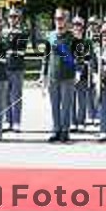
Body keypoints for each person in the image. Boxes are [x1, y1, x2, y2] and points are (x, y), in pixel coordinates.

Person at [41, 8, 77, 143]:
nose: (58, 21)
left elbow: (78, 57)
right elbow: (45, 57)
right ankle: (56, 129)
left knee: (66, 105)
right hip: (53, 75)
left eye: (61, 18)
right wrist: (43, 75)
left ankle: (65, 131)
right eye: (56, 18)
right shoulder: (50, 36)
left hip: (68, 76)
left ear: (66, 20)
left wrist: (78, 72)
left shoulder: (72, 37)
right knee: (54, 105)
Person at [3, 6, 28, 132]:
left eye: (15, 17)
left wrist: (10, 35)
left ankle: (17, 121)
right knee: (5, 95)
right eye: (10, 17)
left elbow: (20, 48)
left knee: (16, 95)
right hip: (5, 67)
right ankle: (8, 120)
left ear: (19, 19)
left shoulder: (23, 32)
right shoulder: (4, 32)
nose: (12, 19)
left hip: (17, 67)